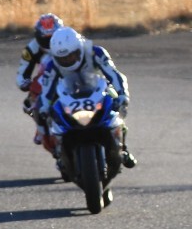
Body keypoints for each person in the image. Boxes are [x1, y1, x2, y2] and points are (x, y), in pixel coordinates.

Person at [38, 25, 137, 168]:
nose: (68, 61)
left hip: (97, 90)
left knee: (115, 102)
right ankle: (60, 153)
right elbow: (46, 90)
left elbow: (114, 74)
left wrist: (122, 95)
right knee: (50, 112)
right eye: (63, 59)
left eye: (71, 56)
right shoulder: (52, 65)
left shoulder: (96, 52)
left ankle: (123, 148)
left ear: (79, 49)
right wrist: (44, 108)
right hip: (69, 95)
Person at [15, 12, 64, 151]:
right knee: (29, 103)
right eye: (46, 39)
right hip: (45, 79)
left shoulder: (70, 40)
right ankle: (41, 128)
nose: (49, 42)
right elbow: (22, 73)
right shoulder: (31, 49)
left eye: (53, 37)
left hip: (70, 76)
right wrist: (25, 83)